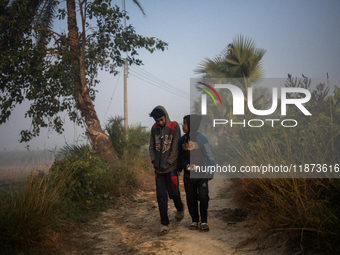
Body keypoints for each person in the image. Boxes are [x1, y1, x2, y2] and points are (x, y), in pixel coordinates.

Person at [149, 105, 184, 236]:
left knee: (173, 193)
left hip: (171, 169)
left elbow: (175, 147)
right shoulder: (154, 129)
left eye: (161, 120)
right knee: (161, 196)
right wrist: (153, 160)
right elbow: (151, 146)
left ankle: (180, 208)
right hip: (158, 170)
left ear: (166, 116)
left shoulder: (174, 126)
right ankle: (164, 223)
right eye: (157, 121)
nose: (159, 123)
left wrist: (169, 162)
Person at [178, 114, 215, 232]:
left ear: (191, 125)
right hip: (188, 175)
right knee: (191, 198)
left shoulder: (202, 139)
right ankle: (195, 219)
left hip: (202, 174)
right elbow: (180, 157)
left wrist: (210, 172)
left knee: (203, 197)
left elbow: (210, 156)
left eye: (185, 123)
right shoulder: (182, 140)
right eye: (183, 123)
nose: (182, 126)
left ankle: (203, 221)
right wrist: (178, 168)